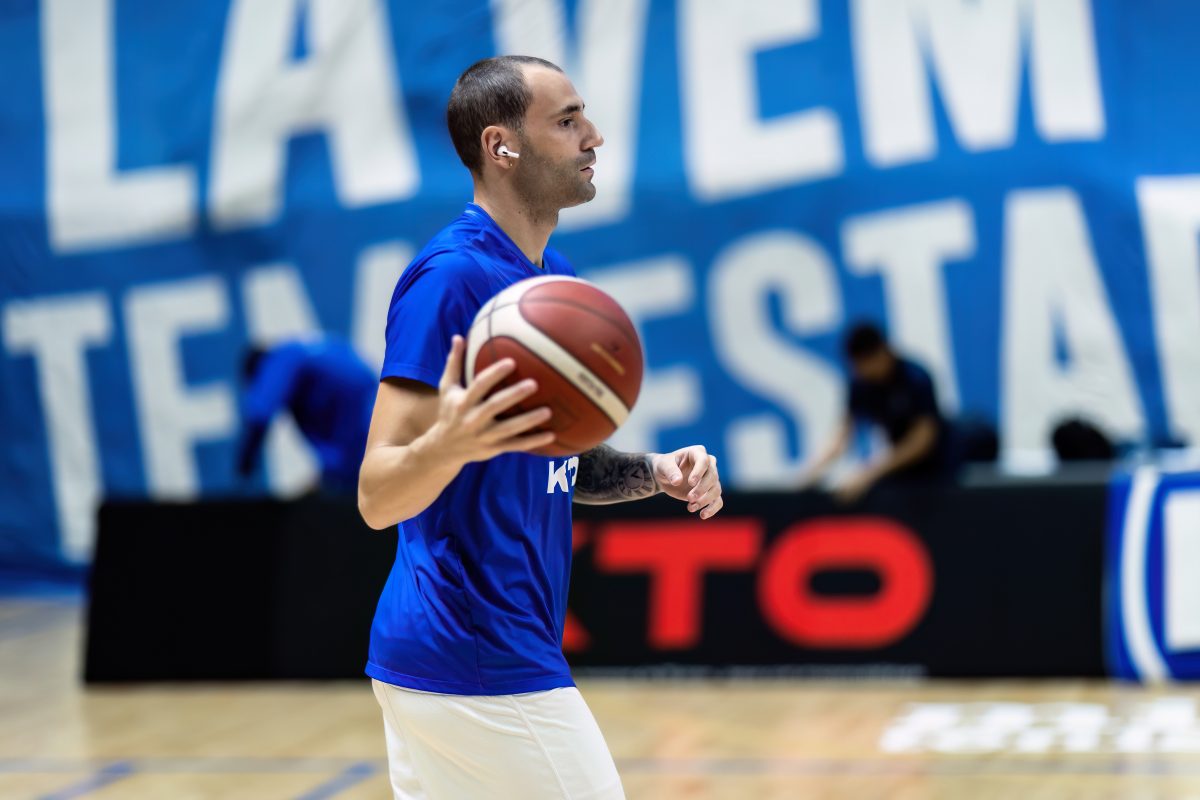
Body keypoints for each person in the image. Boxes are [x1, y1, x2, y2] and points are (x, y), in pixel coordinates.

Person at [357, 55, 724, 800]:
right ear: (501, 146)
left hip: (461, 657)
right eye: (566, 120)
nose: (594, 136)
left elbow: (555, 460)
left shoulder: (551, 279)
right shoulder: (452, 278)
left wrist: (653, 472)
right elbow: (377, 493)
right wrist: (449, 444)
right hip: (474, 654)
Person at [798, 322, 953, 503]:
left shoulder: (915, 378)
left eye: (863, 365)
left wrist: (869, 473)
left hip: (938, 465)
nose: (860, 371)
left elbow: (923, 439)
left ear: (882, 353)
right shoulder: (860, 384)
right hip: (897, 466)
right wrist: (813, 472)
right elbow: (842, 435)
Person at [236, 335, 376, 494]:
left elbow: (260, 414)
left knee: (347, 476)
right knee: (353, 468)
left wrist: (245, 462)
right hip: (365, 384)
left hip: (347, 396)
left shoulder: (277, 360)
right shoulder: (302, 351)